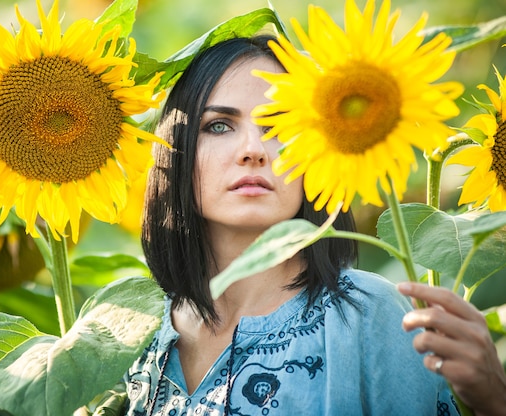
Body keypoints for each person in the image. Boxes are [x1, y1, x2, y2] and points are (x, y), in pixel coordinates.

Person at [124, 35, 506, 415]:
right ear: (175, 149)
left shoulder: (368, 313)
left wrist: (493, 399)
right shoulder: (133, 330)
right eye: (220, 125)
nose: (253, 150)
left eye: (280, 128)